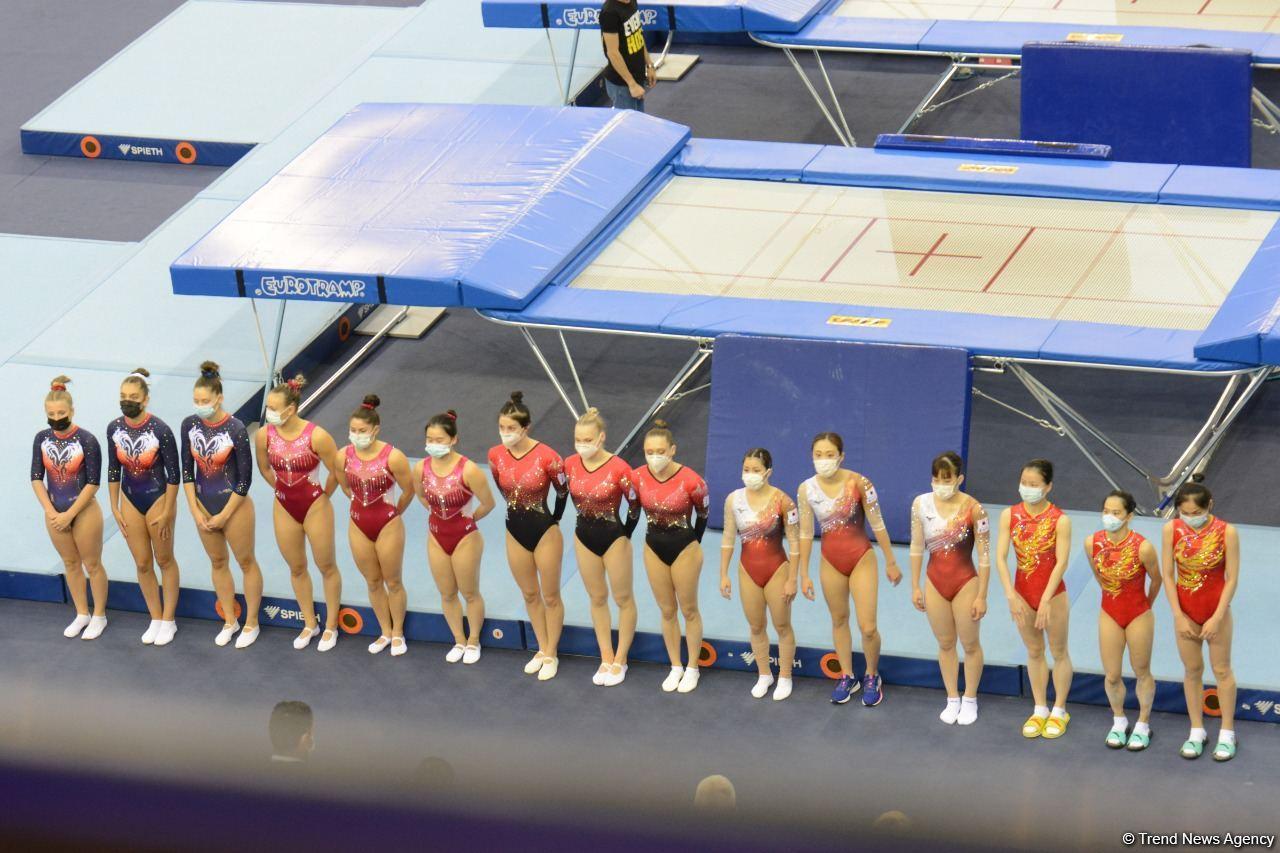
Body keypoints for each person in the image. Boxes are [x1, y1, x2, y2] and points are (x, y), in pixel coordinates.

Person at [798, 432, 902, 707]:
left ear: (841, 456)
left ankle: (871, 675)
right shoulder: (806, 489)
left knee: (868, 627)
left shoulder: (859, 483)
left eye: (829, 455)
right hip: (830, 561)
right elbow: (806, 534)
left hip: (861, 558)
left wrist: (891, 560)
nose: (823, 460)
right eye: (818, 455)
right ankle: (847, 676)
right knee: (839, 620)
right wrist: (803, 573)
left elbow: (877, 524)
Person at [254, 375, 342, 652]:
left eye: (273, 408)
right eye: (267, 406)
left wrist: (322, 495)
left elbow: (336, 471)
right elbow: (265, 468)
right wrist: (282, 490)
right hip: (284, 505)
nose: (268, 413)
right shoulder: (264, 434)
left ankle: (330, 625)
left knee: (326, 565)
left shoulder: (317, 435)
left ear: (290, 410)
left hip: (315, 505)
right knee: (297, 567)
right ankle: (309, 623)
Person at [488, 392, 568, 680]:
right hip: (515, 529)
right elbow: (501, 485)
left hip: (544, 529)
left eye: (511, 429)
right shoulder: (495, 455)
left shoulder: (548, 457)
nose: (505, 434)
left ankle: (552, 653)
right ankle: (542, 647)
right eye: (502, 428)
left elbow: (562, 491)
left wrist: (554, 520)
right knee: (530, 594)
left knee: (550, 595)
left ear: (526, 428)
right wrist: (515, 510)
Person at [183, 362, 262, 648]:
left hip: (235, 507)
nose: (200, 405)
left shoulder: (235, 428)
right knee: (217, 562)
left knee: (245, 562)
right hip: (203, 507)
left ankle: (251, 622)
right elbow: (187, 472)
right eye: (196, 401)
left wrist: (224, 514)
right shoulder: (189, 425)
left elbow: (245, 479)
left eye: (205, 401)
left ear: (219, 398)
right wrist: (195, 510)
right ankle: (230, 620)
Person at [996, 458, 1073, 739]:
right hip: (1021, 593)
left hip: (1053, 595)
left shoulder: (1060, 520)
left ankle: (1060, 709)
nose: (1027, 488)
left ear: (1048, 486)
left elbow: (1062, 562)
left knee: (1059, 651)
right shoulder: (1010, 515)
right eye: (1024, 483)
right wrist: (1010, 595)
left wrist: (1045, 600)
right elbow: (1001, 558)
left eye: (1034, 485)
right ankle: (1040, 708)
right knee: (1033, 651)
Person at [909, 452, 989, 725]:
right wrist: (915, 586)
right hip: (934, 581)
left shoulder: (974, 509)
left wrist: (982, 595)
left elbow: (984, 556)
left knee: (969, 643)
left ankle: (970, 698)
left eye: (947, 479)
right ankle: (952, 697)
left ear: (959, 479)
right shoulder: (920, 504)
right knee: (945, 643)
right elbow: (917, 546)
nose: (940, 484)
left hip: (965, 581)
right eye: (936, 479)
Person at [1162, 483, 1239, 762]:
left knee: (1221, 670)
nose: (1189, 516)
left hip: (1216, 611)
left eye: (1195, 512)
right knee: (1192, 670)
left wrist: (1218, 616)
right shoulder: (1171, 530)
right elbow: (1168, 576)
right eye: (1183, 512)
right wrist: (1178, 615)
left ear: (1210, 505)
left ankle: (1227, 732)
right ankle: (1197, 730)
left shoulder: (1226, 532)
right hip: (1186, 613)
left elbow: (1231, 578)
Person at [632, 419, 710, 693]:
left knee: (688, 609)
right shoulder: (638, 476)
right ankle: (675, 665)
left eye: (660, 451)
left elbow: (703, 514)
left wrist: (693, 544)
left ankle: (692, 668)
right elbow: (632, 509)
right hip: (653, 547)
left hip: (685, 548)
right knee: (666, 610)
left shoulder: (692, 480)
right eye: (649, 452)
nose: (655, 457)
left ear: (673, 449)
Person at [564, 408, 639, 686]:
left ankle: (621, 659)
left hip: (614, 537)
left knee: (623, 599)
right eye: (577, 439)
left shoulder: (620, 468)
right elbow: (563, 493)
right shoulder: (570, 463)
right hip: (584, 536)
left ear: (601, 437)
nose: (582, 444)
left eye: (587, 439)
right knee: (596, 598)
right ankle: (606, 656)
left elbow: (634, 505)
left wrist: (625, 535)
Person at [414, 410, 495, 664]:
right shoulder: (421, 467)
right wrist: (439, 515)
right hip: (437, 536)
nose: (433, 444)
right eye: (430, 439)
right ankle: (459, 640)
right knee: (447, 593)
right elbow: (422, 495)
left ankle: (473, 641)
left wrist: (467, 520)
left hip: (465, 537)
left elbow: (488, 503)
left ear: (453, 440)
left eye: (439, 440)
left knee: (469, 592)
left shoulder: (469, 470)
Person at [31, 375, 109, 640]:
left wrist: (69, 514)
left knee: (92, 563)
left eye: (61, 413)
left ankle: (99, 615)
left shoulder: (86, 440)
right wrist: (51, 512)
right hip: (54, 512)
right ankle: (81, 613)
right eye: (51, 414)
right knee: (70, 563)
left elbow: (93, 483)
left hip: (83, 511)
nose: (56, 417)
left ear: (72, 411)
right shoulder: (41, 438)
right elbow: (36, 478)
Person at [107, 368, 180, 646]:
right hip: (129, 499)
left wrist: (167, 510)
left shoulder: (160, 430)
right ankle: (156, 617)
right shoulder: (114, 427)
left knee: (164, 560)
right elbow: (114, 470)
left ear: (146, 399)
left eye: (134, 396)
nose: (128, 401)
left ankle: (170, 619)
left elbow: (174, 475)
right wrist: (113, 506)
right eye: (123, 396)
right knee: (141, 562)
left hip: (158, 498)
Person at [336, 395, 414, 657]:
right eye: (353, 431)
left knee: (392, 581)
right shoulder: (342, 456)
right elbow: (345, 486)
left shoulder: (394, 457)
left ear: (375, 430)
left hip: (388, 523)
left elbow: (409, 490)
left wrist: (394, 512)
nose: (356, 435)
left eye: (362, 431)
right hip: (358, 523)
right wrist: (361, 506)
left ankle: (399, 632)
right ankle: (385, 632)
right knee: (372, 581)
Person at [720, 448, 800, 701]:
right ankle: (764, 674)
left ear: (768, 472)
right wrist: (723, 574)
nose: (750, 475)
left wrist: (792, 579)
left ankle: (785, 675)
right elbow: (727, 539)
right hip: (747, 570)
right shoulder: (734, 500)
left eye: (755, 470)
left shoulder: (783, 501)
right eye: (746, 470)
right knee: (756, 625)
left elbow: (796, 544)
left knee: (782, 625)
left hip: (777, 568)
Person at [1086, 490, 1161, 751]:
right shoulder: (1092, 543)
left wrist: (1145, 606)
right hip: (1110, 611)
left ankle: (1143, 723)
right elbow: (1098, 575)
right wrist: (1112, 595)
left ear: (1129, 516)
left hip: (1138, 612)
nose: (1109, 516)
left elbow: (1157, 579)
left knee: (1141, 670)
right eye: (1106, 511)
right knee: (1112, 674)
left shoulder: (1143, 547)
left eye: (1116, 512)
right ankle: (1119, 720)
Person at [599, 0, 654, 112]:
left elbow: (638, 35)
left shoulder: (632, 2)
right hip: (622, 84)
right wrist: (631, 84)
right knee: (630, 126)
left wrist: (649, 65)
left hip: (637, 76)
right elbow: (612, 53)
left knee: (639, 122)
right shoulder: (609, 12)